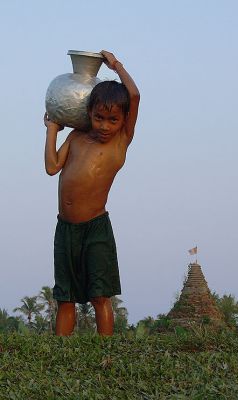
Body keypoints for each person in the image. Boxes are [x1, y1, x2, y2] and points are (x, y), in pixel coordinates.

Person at [44, 50, 140, 336]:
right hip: (66, 228)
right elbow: (52, 167)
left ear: (123, 121)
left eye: (113, 120)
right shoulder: (76, 137)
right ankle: (60, 355)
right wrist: (52, 129)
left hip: (96, 228)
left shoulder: (121, 141)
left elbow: (133, 96)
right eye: (98, 118)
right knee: (65, 297)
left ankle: (105, 355)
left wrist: (117, 66)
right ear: (89, 113)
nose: (104, 126)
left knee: (100, 295)